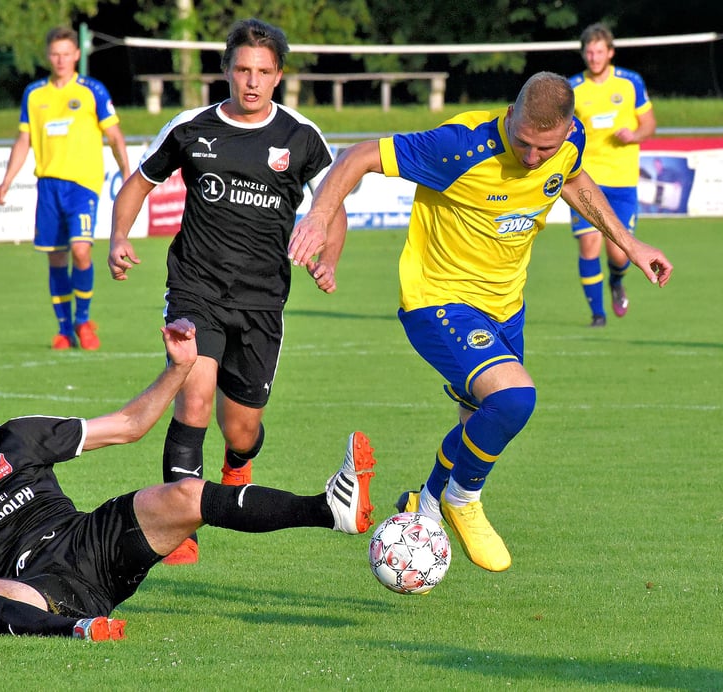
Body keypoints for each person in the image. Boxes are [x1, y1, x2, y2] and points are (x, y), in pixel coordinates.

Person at [288, 72, 673, 573]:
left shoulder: (568, 142)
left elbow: (573, 177)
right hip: (438, 300)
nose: (533, 157)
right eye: (524, 144)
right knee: (514, 399)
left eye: (545, 147)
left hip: (506, 307)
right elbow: (361, 154)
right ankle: (462, 499)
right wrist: (319, 214)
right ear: (510, 116)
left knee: (477, 424)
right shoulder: (459, 144)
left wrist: (629, 243)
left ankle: (425, 507)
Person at [0, 321, 376, 640]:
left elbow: (130, 426)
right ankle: (80, 631)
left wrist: (179, 368)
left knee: (185, 494)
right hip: (36, 588)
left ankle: (329, 508)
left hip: (92, 542)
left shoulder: (19, 437)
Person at [107, 18, 348, 564]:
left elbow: (332, 209)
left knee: (241, 428)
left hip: (263, 302)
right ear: (227, 71)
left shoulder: (300, 136)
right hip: (196, 288)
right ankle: (178, 524)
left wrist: (327, 259)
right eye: (242, 69)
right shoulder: (192, 127)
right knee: (192, 394)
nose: (252, 81)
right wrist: (119, 236)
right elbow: (139, 182)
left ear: (279, 75)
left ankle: (238, 462)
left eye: (263, 71)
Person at [0, 26, 130, 350]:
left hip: (82, 186)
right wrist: (7, 180)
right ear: (48, 56)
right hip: (48, 186)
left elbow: (114, 135)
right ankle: (64, 329)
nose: (60, 60)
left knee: (82, 251)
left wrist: (127, 173)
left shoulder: (92, 90)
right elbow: (24, 139)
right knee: (56, 258)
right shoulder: (35, 94)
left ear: (77, 56)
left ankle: (84, 321)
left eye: (66, 54)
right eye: (55, 54)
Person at [568, 22, 657, 327]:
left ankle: (616, 281)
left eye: (599, 52)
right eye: (589, 52)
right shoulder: (573, 88)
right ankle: (597, 314)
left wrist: (634, 134)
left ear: (610, 53)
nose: (593, 57)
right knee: (589, 244)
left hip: (622, 181)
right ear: (583, 54)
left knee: (620, 255)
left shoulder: (630, 83)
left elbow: (649, 125)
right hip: (585, 179)